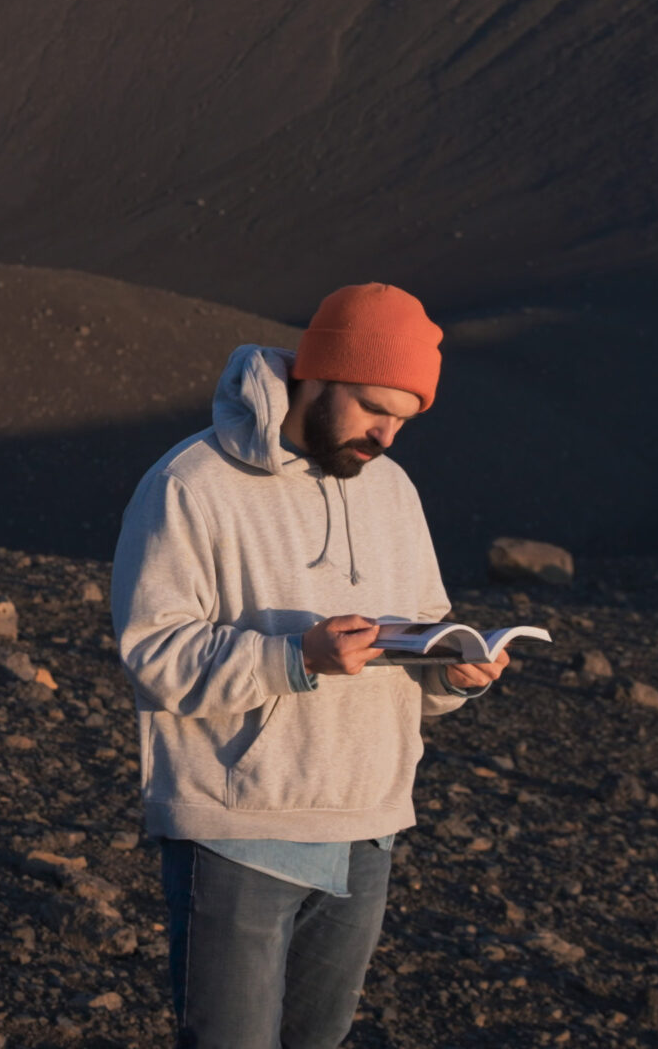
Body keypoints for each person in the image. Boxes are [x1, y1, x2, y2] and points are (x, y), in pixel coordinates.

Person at [111, 283, 511, 1048]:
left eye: (403, 419)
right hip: (238, 827)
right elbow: (153, 654)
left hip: (369, 824)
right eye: (373, 409)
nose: (386, 436)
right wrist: (296, 656)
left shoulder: (393, 490)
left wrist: (453, 673)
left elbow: (423, 635)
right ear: (318, 375)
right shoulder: (192, 483)